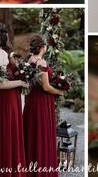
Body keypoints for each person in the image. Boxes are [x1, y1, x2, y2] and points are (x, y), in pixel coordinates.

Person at [0, 23, 27, 177]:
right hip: (6, 102)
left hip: (7, 101)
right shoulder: (0, 54)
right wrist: (21, 82)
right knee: (7, 138)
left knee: (7, 137)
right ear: (4, 36)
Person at [23, 34, 63, 176]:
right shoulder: (41, 62)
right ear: (42, 47)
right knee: (42, 135)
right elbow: (46, 87)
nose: (46, 47)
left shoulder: (29, 60)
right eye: (45, 45)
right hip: (42, 103)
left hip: (30, 102)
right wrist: (59, 91)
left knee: (32, 134)